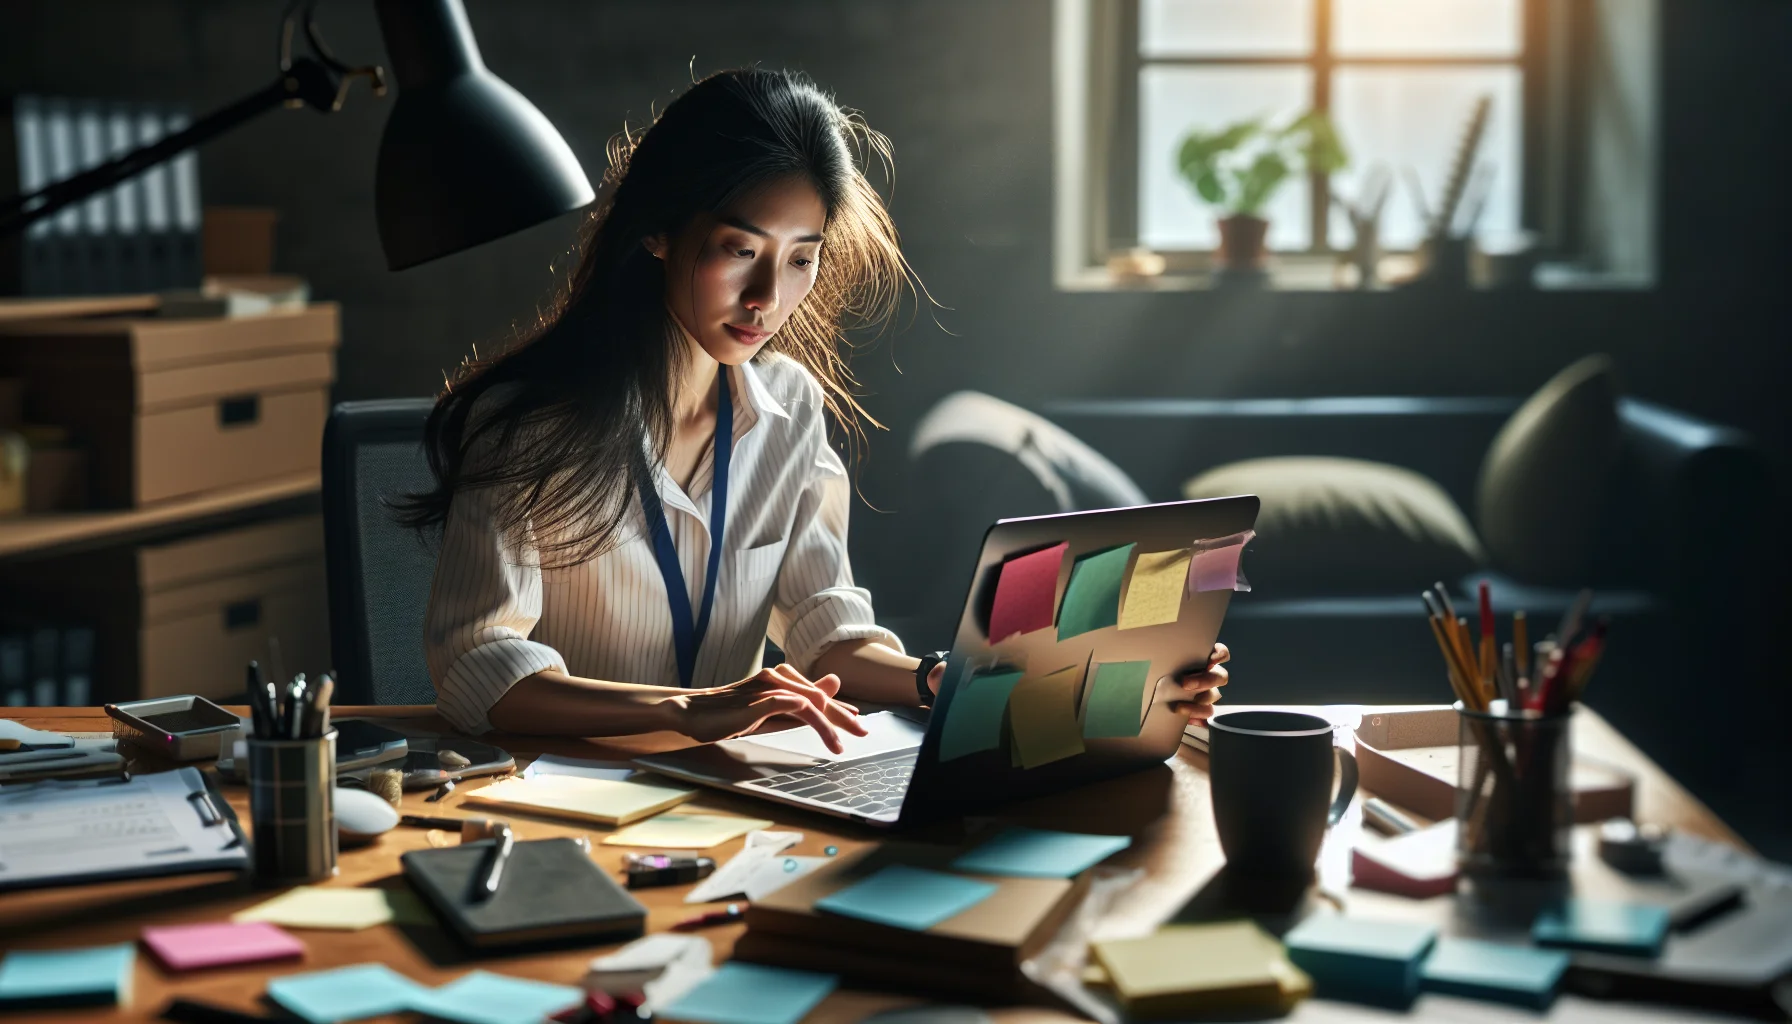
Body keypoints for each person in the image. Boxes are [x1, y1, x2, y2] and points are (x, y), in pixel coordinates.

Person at [400, 68, 1229, 750]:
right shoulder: (526, 427)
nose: (768, 296)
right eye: (740, 249)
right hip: (566, 808)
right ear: (657, 230)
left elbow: (828, 635)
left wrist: (950, 680)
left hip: (728, 802)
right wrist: (691, 709)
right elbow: (480, 668)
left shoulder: (790, 407)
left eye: (802, 258)